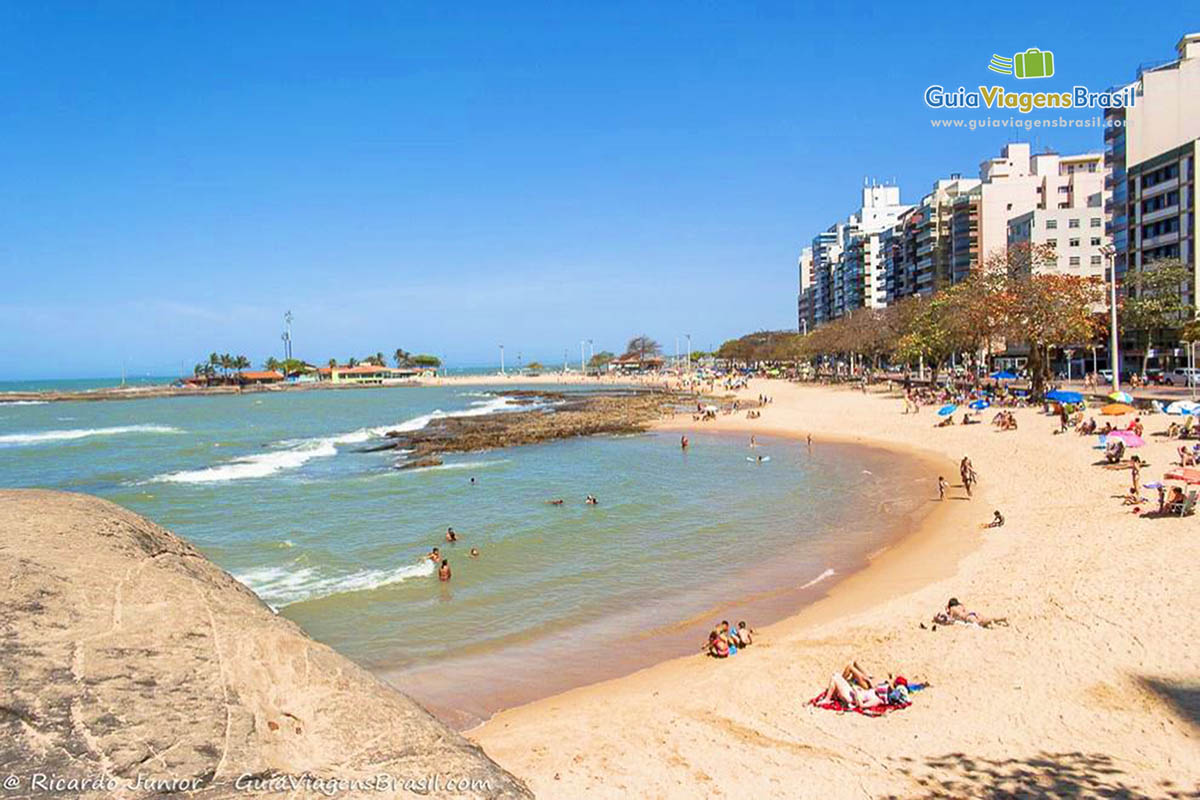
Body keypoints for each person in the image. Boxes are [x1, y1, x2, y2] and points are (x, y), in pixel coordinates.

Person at [940, 597, 1007, 627]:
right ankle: (999, 619)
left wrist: (947, 610)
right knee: (986, 619)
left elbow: (951, 619)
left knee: (982, 622)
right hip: (973, 613)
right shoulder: (961, 606)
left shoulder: (952, 608)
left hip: (968, 617)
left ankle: (998, 620)